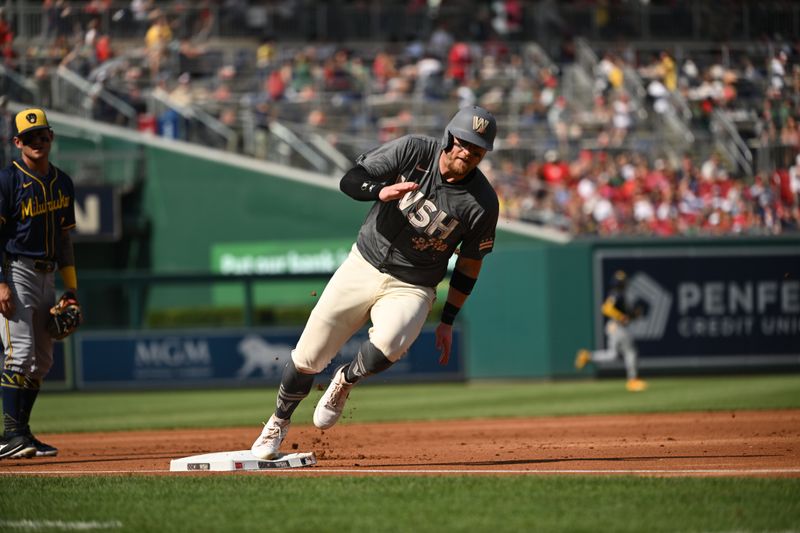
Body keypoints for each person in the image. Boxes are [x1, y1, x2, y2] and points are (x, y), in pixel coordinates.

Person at [251, 105, 500, 459]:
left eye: (477, 149)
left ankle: (345, 380)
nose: (467, 152)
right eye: (463, 142)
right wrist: (378, 190)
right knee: (307, 357)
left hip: (413, 284)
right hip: (364, 262)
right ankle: (277, 422)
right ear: (449, 137)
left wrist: (447, 320)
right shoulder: (415, 150)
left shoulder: (483, 202)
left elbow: (470, 263)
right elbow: (350, 179)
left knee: (391, 343)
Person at [0, 108, 80, 459]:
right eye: (29, 137)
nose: (38, 142)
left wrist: (72, 290)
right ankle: (9, 435)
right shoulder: (7, 181)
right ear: (17, 142)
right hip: (15, 270)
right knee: (20, 354)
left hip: (48, 276)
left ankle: (23, 434)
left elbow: (65, 243)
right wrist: (0, 283)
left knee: (41, 360)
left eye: (43, 135)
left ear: (51, 138)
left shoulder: (63, 182)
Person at [575, 269, 647, 392]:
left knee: (612, 355)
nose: (625, 284)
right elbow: (606, 308)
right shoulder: (617, 294)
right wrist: (621, 316)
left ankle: (588, 356)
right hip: (618, 327)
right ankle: (632, 380)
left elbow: (625, 315)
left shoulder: (620, 294)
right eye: (623, 282)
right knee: (630, 352)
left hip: (615, 326)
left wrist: (633, 315)